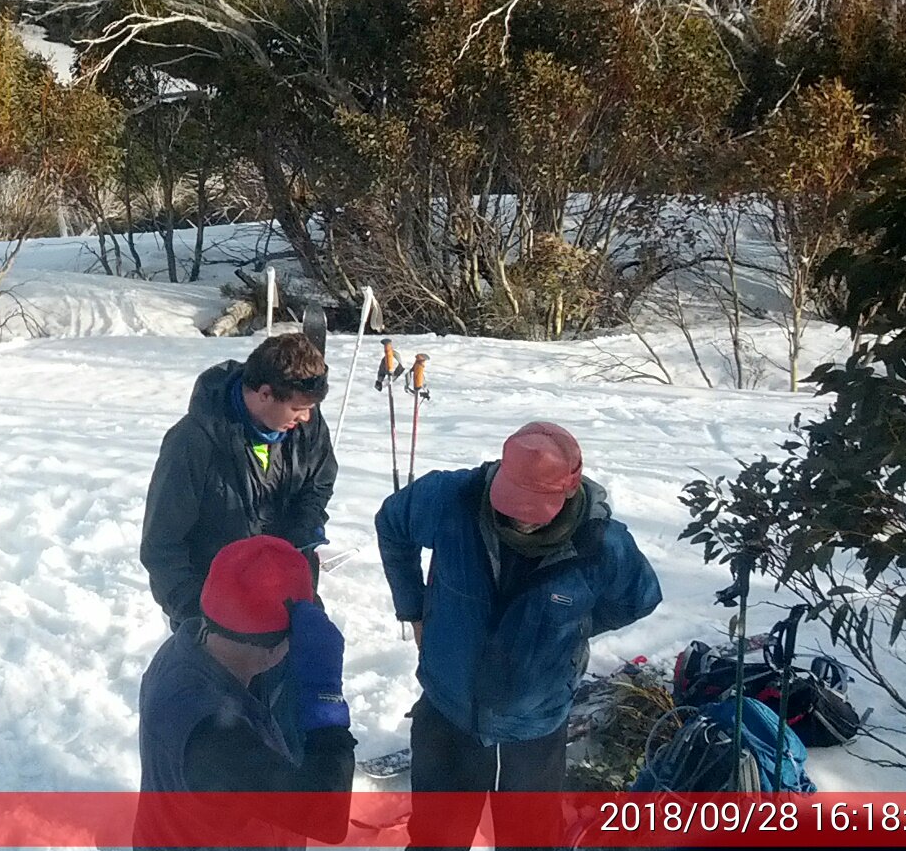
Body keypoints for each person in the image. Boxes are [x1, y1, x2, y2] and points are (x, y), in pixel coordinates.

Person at [375, 422, 662, 849]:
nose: (519, 518)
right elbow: (392, 524)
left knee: (528, 840)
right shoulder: (451, 499)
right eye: (513, 502)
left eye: (534, 508)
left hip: (537, 718)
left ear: (569, 488)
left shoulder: (602, 546)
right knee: (436, 839)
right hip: (450, 704)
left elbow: (638, 598)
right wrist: (414, 610)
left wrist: (573, 629)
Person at [136, 535, 355, 848]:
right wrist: (326, 695)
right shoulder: (213, 735)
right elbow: (325, 818)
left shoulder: (191, 647)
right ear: (271, 650)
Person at [141, 329, 337, 631]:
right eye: (298, 409)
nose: (306, 418)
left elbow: (319, 482)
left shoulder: (305, 426)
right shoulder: (192, 443)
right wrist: (198, 616)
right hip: (216, 612)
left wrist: (302, 533)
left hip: (288, 594)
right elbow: (162, 545)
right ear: (264, 394)